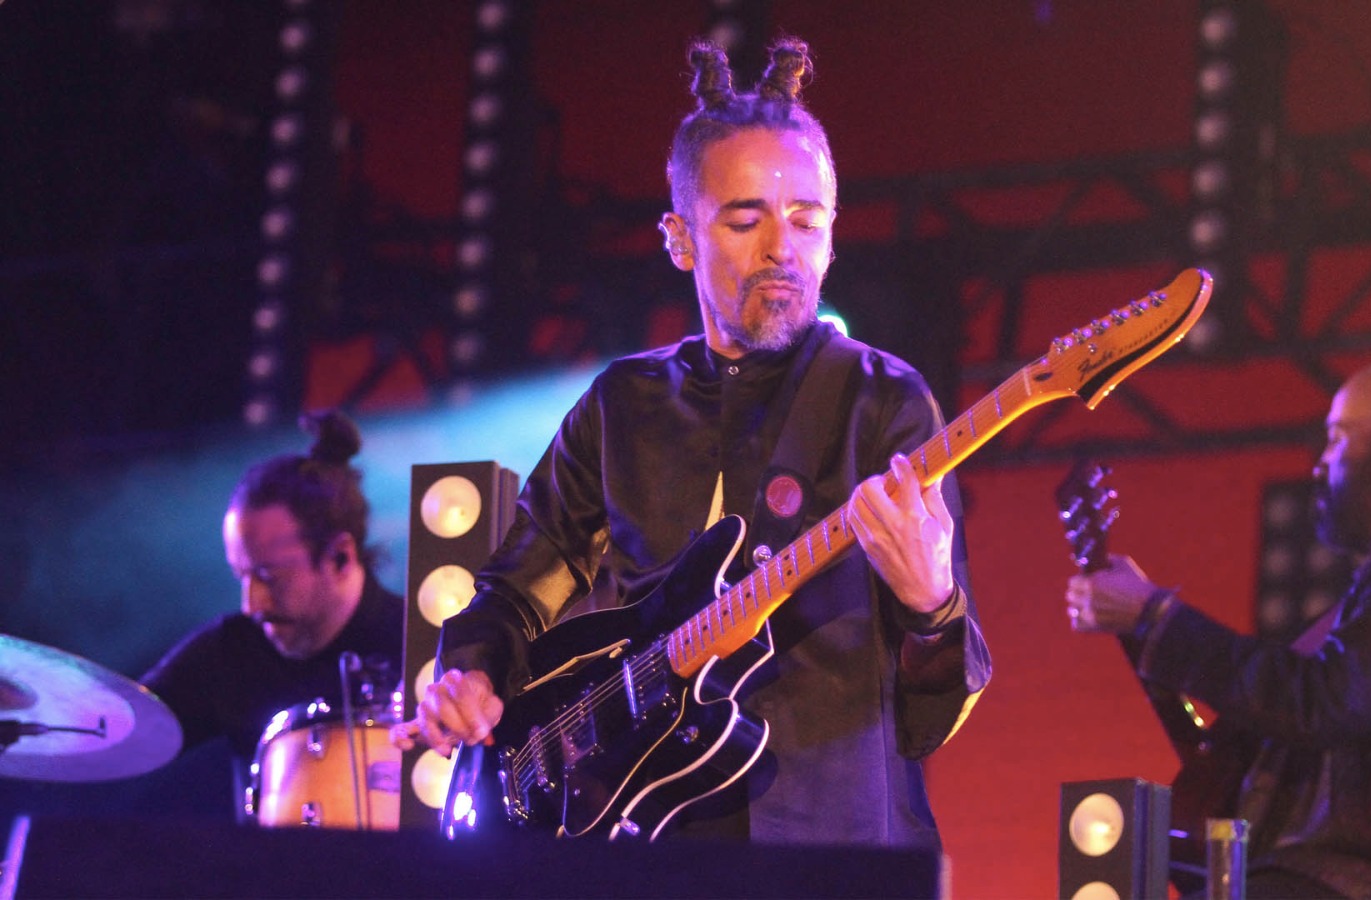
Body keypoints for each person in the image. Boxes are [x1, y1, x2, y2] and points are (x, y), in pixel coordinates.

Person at [394, 36, 991, 847]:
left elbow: (932, 714)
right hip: (641, 841)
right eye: (745, 220)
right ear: (679, 238)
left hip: (830, 842)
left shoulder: (885, 401)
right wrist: (472, 671)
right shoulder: (623, 403)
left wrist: (933, 606)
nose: (781, 247)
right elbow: (518, 590)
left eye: (807, 220)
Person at [1067, 354, 1371, 898]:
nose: (1321, 464)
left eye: (1337, 439)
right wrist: (1149, 625)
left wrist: (1159, 618)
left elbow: (1322, 701)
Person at [141, 410, 404, 821]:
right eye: (242, 576)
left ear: (340, 556)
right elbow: (127, 726)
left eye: (268, 577)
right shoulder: (229, 650)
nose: (252, 604)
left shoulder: (418, 644)